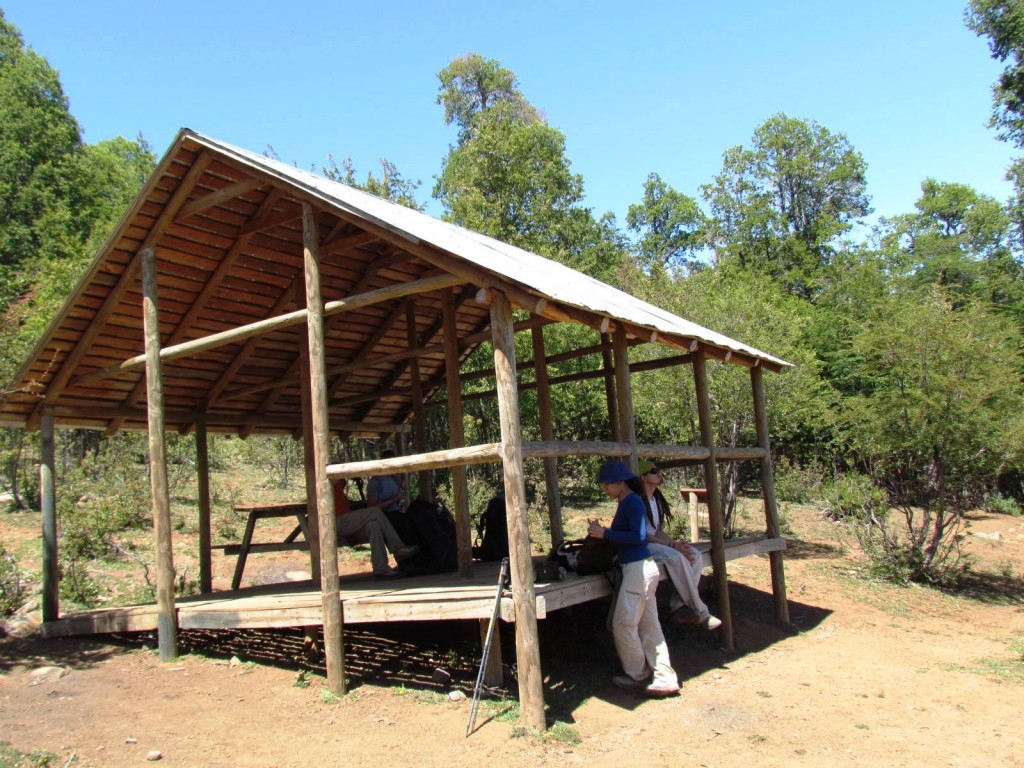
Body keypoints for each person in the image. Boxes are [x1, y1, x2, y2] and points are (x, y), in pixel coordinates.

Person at [588, 459, 680, 698]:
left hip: (637, 571)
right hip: (643, 569)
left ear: (620, 482)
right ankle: (665, 677)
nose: (604, 488)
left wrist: (604, 533)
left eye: (607, 484)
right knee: (650, 627)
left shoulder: (630, 503)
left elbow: (639, 536)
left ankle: (637, 673)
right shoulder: (627, 502)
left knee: (623, 624)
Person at [635, 460, 722, 631]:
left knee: (694, 555)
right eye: (654, 471)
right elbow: (644, 536)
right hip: (642, 546)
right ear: (644, 477)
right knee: (676, 557)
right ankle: (701, 611)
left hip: (656, 542)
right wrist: (673, 547)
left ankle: (679, 605)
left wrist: (674, 543)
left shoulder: (656, 500)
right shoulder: (638, 501)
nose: (659, 473)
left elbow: (657, 531)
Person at [333, 478, 419, 579]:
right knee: (375, 511)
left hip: (347, 521)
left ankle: (381, 569)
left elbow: (343, 485)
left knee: (373, 525)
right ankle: (397, 547)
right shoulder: (326, 480)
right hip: (335, 522)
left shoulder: (339, 486)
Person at [367, 450, 406, 514]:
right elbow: (372, 508)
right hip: (382, 517)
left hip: (396, 513)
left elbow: (399, 498)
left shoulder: (393, 478)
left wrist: (402, 488)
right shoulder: (375, 481)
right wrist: (394, 499)